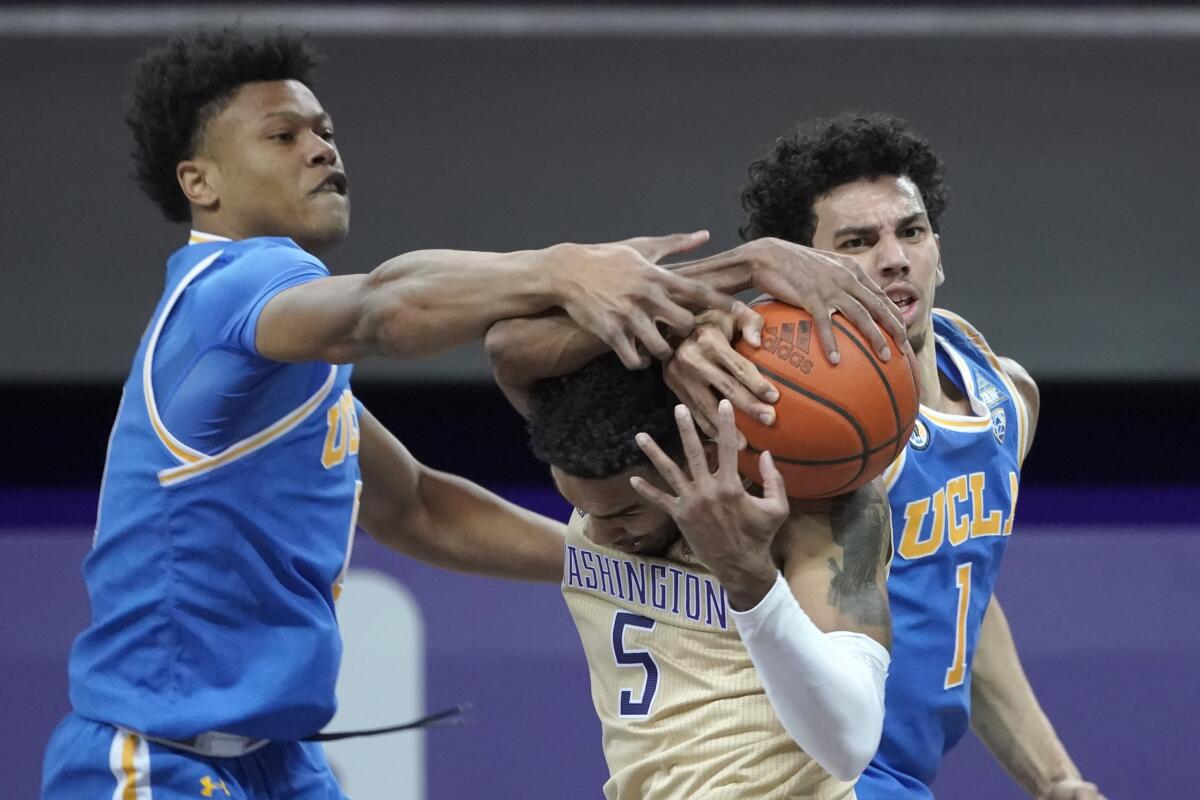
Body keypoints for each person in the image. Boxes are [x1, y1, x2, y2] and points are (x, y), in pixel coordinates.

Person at [39, 27, 760, 799]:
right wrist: (562, 268)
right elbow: (385, 307)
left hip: (277, 762)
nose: (320, 149)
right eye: (282, 135)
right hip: (155, 763)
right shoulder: (228, 285)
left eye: (325, 132)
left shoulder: (284, 358)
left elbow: (416, 506)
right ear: (201, 183)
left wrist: (613, 568)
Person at [667, 113, 1104, 800]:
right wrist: (696, 326)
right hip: (812, 777)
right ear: (797, 271)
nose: (894, 257)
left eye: (911, 230)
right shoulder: (786, 421)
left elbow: (964, 595)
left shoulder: (1004, 393)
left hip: (905, 779)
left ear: (939, 251)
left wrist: (1054, 778)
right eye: (857, 241)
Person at [509, 351, 893, 798]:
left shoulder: (815, 511)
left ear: (709, 461)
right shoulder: (601, 484)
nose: (597, 533)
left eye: (625, 512)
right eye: (580, 509)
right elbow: (505, 347)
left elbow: (849, 744)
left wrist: (747, 575)